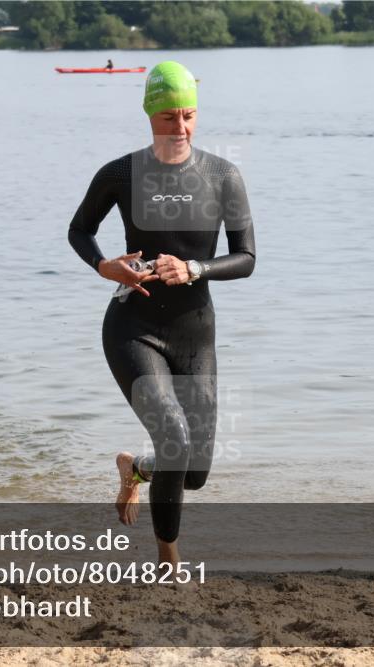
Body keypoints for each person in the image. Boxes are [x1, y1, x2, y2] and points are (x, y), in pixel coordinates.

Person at [68, 61, 256, 564]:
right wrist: (104, 266)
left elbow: (247, 259)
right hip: (134, 327)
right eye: (170, 116)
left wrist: (195, 267)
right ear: (151, 114)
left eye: (189, 115)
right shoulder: (122, 173)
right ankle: (167, 561)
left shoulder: (223, 175)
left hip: (194, 332)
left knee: (193, 471)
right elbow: (79, 230)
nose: (181, 127)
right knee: (174, 437)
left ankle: (136, 467)